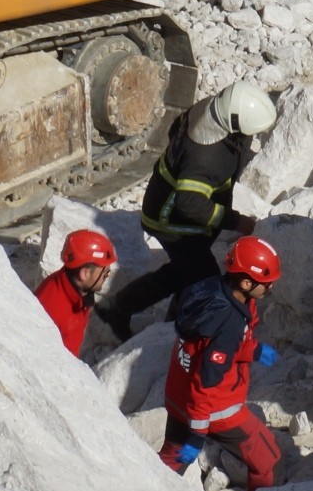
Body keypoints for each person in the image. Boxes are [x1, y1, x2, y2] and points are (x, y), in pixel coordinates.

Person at [99, 81, 276, 335]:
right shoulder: (206, 158)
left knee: (183, 271)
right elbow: (189, 203)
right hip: (171, 220)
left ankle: (130, 311)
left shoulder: (209, 111)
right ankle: (168, 327)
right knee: (206, 280)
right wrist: (233, 220)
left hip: (169, 207)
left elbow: (174, 131)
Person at [159, 236, 285, 488]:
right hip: (216, 409)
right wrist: (197, 434)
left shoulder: (211, 291)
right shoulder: (230, 322)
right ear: (247, 282)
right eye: (266, 284)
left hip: (177, 398)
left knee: (168, 465)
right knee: (268, 462)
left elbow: (213, 345)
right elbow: (207, 381)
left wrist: (253, 350)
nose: (270, 289)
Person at [34, 228, 117, 356]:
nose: (107, 277)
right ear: (85, 273)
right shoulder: (56, 310)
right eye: (105, 273)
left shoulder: (76, 292)